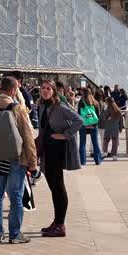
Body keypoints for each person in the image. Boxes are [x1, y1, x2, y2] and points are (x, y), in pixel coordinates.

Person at [0, 76, 38, 244]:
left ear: (0, 89)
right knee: (16, 197)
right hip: (16, 158)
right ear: (13, 90)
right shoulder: (17, 108)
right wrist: (32, 161)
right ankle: (15, 233)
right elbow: (28, 137)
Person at [36, 80, 82, 238]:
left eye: (48, 88)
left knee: (58, 187)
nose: (45, 91)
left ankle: (60, 225)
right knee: (53, 187)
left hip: (56, 150)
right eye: (43, 88)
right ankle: (56, 222)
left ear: (54, 91)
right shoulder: (42, 105)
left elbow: (79, 120)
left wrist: (65, 135)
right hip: (47, 150)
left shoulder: (59, 106)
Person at [77, 87, 104, 165]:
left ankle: (82, 161)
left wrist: (84, 124)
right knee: (95, 143)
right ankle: (98, 160)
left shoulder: (81, 103)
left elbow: (79, 114)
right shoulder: (95, 102)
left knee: (82, 143)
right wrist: (93, 124)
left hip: (83, 124)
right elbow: (98, 115)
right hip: (93, 124)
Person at [101, 96, 124, 161]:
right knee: (115, 142)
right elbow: (121, 120)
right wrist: (120, 128)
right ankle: (114, 155)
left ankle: (105, 152)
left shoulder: (107, 110)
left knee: (105, 141)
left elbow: (103, 118)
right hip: (115, 128)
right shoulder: (118, 110)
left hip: (108, 127)